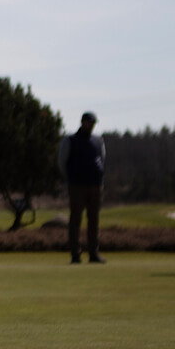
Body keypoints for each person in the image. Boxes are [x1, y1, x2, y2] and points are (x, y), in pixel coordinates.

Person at [58, 111, 106, 264]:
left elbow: (102, 160)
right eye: (88, 122)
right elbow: (62, 162)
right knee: (76, 220)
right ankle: (75, 253)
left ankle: (93, 253)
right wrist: (71, 178)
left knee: (94, 220)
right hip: (77, 185)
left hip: (95, 185)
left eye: (93, 123)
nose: (91, 125)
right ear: (82, 122)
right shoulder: (70, 140)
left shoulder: (98, 141)